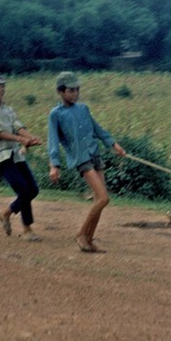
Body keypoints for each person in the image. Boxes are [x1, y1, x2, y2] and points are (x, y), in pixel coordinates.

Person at [47, 71, 126, 253]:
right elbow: (53, 141)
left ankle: (89, 240)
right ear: (61, 91)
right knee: (103, 198)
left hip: (94, 154)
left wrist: (114, 144)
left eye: (77, 90)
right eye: (71, 90)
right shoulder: (56, 114)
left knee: (100, 200)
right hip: (80, 158)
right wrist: (54, 165)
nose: (75, 94)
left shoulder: (83, 109)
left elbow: (98, 129)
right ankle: (81, 234)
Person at [0, 72, 44, 241]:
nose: (1, 89)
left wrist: (30, 137)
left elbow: (16, 125)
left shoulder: (7, 109)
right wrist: (22, 139)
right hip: (1, 156)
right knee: (24, 190)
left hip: (15, 154)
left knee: (33, 189)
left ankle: (6, 213)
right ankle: (27, 229)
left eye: (2, 85)